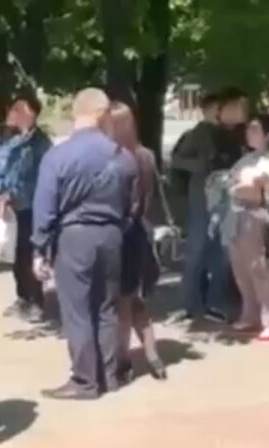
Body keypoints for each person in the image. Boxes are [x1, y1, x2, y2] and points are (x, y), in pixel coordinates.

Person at [31, 87, 138, 400]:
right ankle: (108, 377)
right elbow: (132, 204)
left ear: (75, 113)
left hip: (74, 236)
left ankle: (84, 381)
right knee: (106, 307)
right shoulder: (124, 157)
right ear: (104, 113)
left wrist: (40, 248)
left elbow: (45, 207)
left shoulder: (58, 156)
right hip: (112, 236)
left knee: (77, 311)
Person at [105, 102, 166, 382]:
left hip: (119, 234)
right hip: (141, 231)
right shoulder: (146, 156)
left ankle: (123, 360)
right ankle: (153, 356)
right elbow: (147, 199)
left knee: (121, 303)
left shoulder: (112, 158)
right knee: (136, 299)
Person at [220, 114, 269, 341]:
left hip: (257, 218)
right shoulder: (246, 158)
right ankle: (250, 314)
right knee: (240, 269)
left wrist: (238, 187)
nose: (250, 133)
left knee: (260, 270)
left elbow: (251, 187)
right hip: (236, 217)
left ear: (268, 135)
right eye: (249, 129)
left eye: (256, 130)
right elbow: (228, 182)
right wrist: (237, 186)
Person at [0, 94, 52, 323]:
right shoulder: (8, 139)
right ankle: (22, 297)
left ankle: (36, 300)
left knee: (30, 254)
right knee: (14, 255)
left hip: (32, 206)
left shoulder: (39, 142)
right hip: (10, 207)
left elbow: (42, 177)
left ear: (33, 114)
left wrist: (15, 194)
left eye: (22, 110)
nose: (15, 113)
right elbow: (0, 169)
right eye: (14, 108)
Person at [170, 92, 219, 321]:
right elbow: (177, 160)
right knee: (198, 249)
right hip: (201, 197)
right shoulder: (196, 134)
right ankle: (192, 302)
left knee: (218, 250)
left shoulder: (229, 133)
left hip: (221, 197)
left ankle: (213, 301)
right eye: (215, 109)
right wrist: (198, 166)